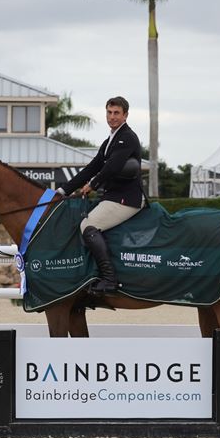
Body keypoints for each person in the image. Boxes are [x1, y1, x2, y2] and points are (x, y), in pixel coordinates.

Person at [57, 96, 143, 294]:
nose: (112, 117)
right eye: (109, 112)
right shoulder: (109, 140)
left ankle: (109, 279)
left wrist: (93, 185)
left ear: (125, 115)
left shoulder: (127, 137)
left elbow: (112, 167)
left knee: (88, 225)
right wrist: (63, 191)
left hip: (126, 199)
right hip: (112, 197)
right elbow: (91, 168)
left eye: (116, 113)